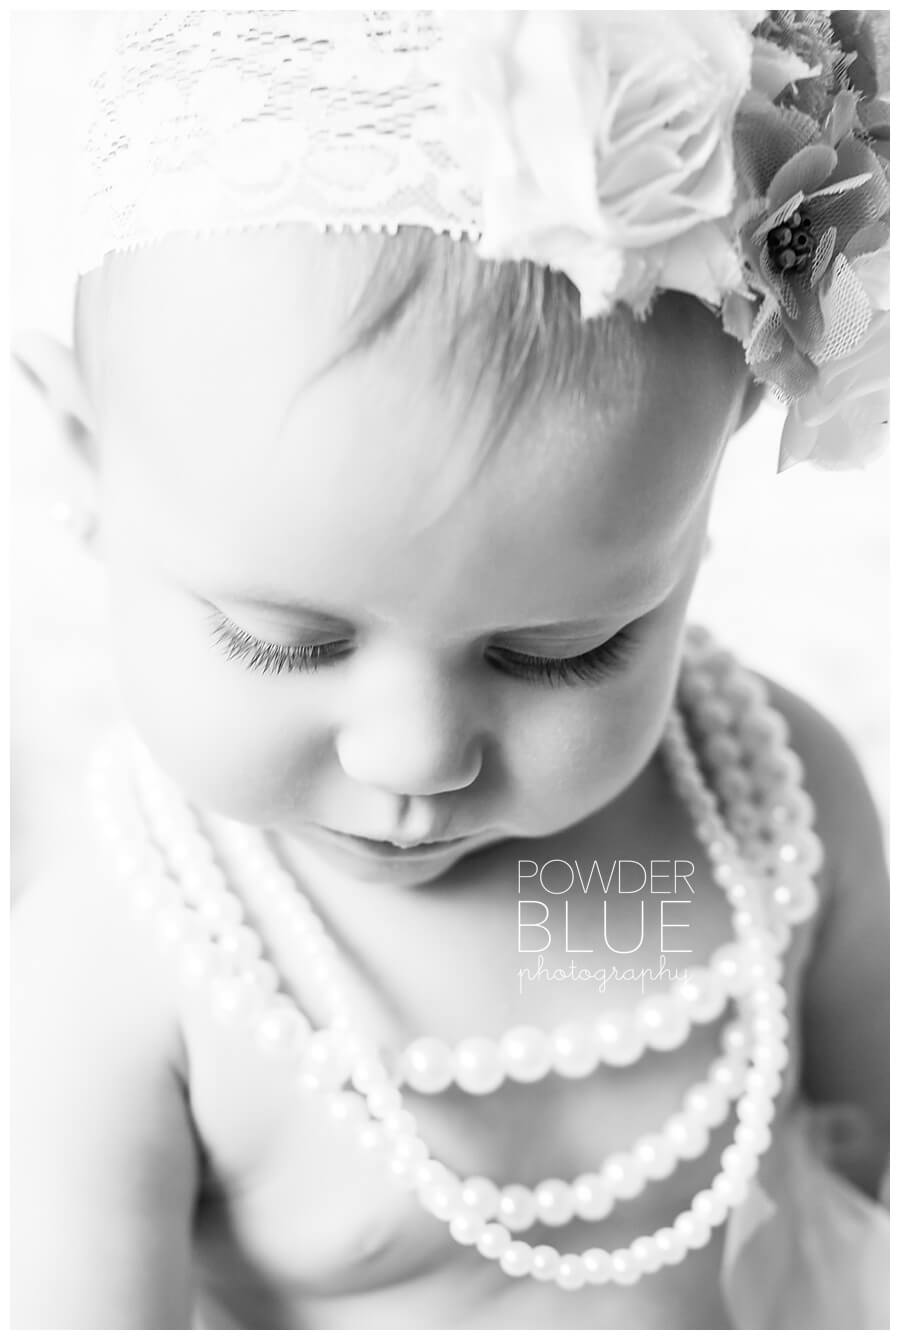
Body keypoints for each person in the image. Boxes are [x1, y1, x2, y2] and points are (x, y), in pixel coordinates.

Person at [11, 10, 889, 1329]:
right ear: (85, 466)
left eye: (564, 651)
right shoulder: (127, 967)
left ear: (698, 515)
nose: (417, 756)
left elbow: (853, 1202)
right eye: (289, 641)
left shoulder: (775, 818)